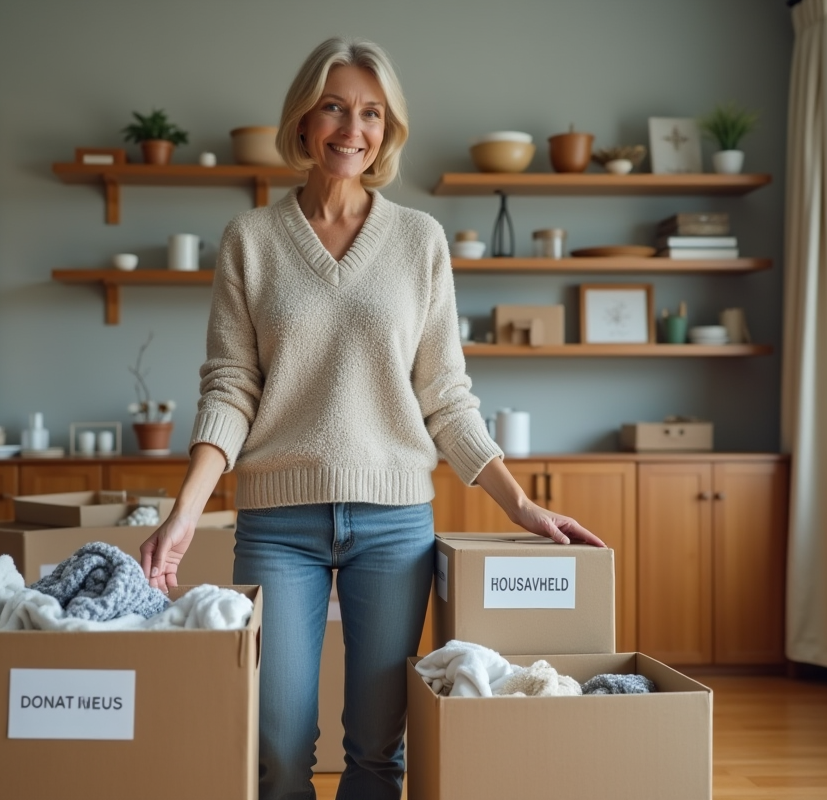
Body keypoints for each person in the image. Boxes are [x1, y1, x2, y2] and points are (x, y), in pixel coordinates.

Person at [140, 36, 606, 800]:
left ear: (388, 130)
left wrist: (519, 504)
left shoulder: (419, 241)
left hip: (394, 523)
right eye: (333, 107)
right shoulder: (249, 241)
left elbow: (446, 395)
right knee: (278, 750)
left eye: (370, 112)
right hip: (276, 521)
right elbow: (230, 387)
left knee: (376, 754)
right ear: (302, 120)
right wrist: (184, 511)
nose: (350, 128)